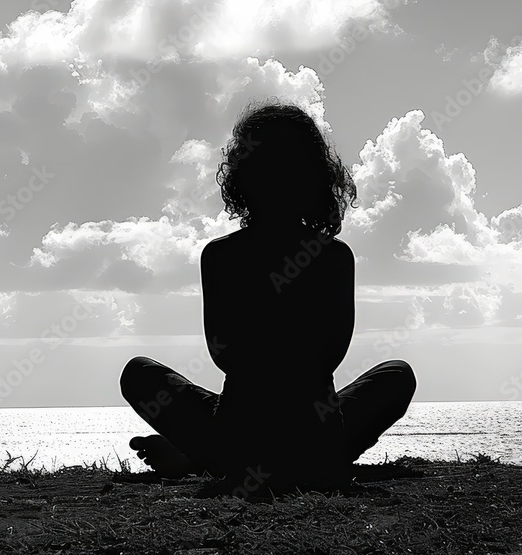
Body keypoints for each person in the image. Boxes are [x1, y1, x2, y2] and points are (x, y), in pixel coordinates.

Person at [119, 100, 417, 494]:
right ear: (316, 176)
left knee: (139, 373)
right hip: (317, 434)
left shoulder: (221, 255)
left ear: (241, 175)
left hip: (238, 437)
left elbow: (223, 354)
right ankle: (297, 458)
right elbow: (330, 355)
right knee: (396, 376)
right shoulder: (334, 256)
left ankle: (204, 455)